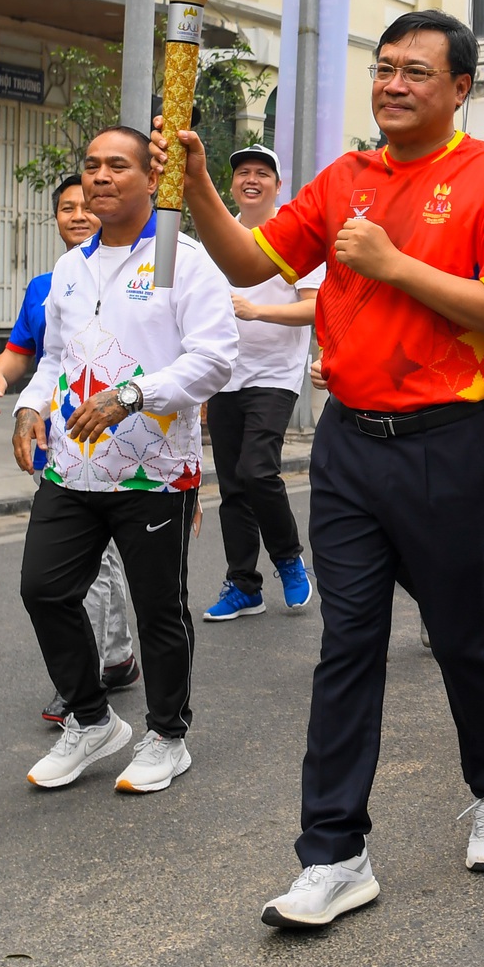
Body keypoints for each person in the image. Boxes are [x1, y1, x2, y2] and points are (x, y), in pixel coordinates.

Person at [170, 9, 484, 928]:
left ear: (459, 87)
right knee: (348, 647)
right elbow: (250, 262)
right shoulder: (344, 178)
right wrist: (201, 188)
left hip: (446, 442)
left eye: (417, 71)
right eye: (383, 68)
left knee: (465, 637)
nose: (393, 83)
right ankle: (334, 852)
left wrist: (394, 262)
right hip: (347, 442)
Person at [12, 126, 239, 794]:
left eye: (118, 165)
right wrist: (32, 406)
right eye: (91, 166)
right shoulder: (70, 268)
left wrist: (132, 395)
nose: (100, 177)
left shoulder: (178, 257)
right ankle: (91, 719)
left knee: (157, 608)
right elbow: (55, 356)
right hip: (73, 466)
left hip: (154, 471)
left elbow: (215, 358)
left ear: (150, 178)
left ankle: (168, 735)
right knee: (43, 588)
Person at [0, 175, 139, 723]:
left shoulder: (149, 271)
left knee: (98, 564)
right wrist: (3, 382)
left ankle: (92, 673)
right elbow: (29, 352)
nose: (78, 214)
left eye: (85, 206)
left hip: (128, 444)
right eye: (66, 207)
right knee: (94, 564)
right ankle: (112, 658)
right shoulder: (49, 283)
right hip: (59, 444)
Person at [202, 145, 321, 619]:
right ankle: (244, 585)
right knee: (232, 485)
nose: (251, 179)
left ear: (276, 184)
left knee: (257, 470)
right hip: (224, 373)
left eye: (262, 173)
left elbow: (316, 306)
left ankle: (289, 560)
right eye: (243, 173)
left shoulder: (295, 235)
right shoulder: (216, 236)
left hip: (275, 375)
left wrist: (258, 309)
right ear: (232, 184)